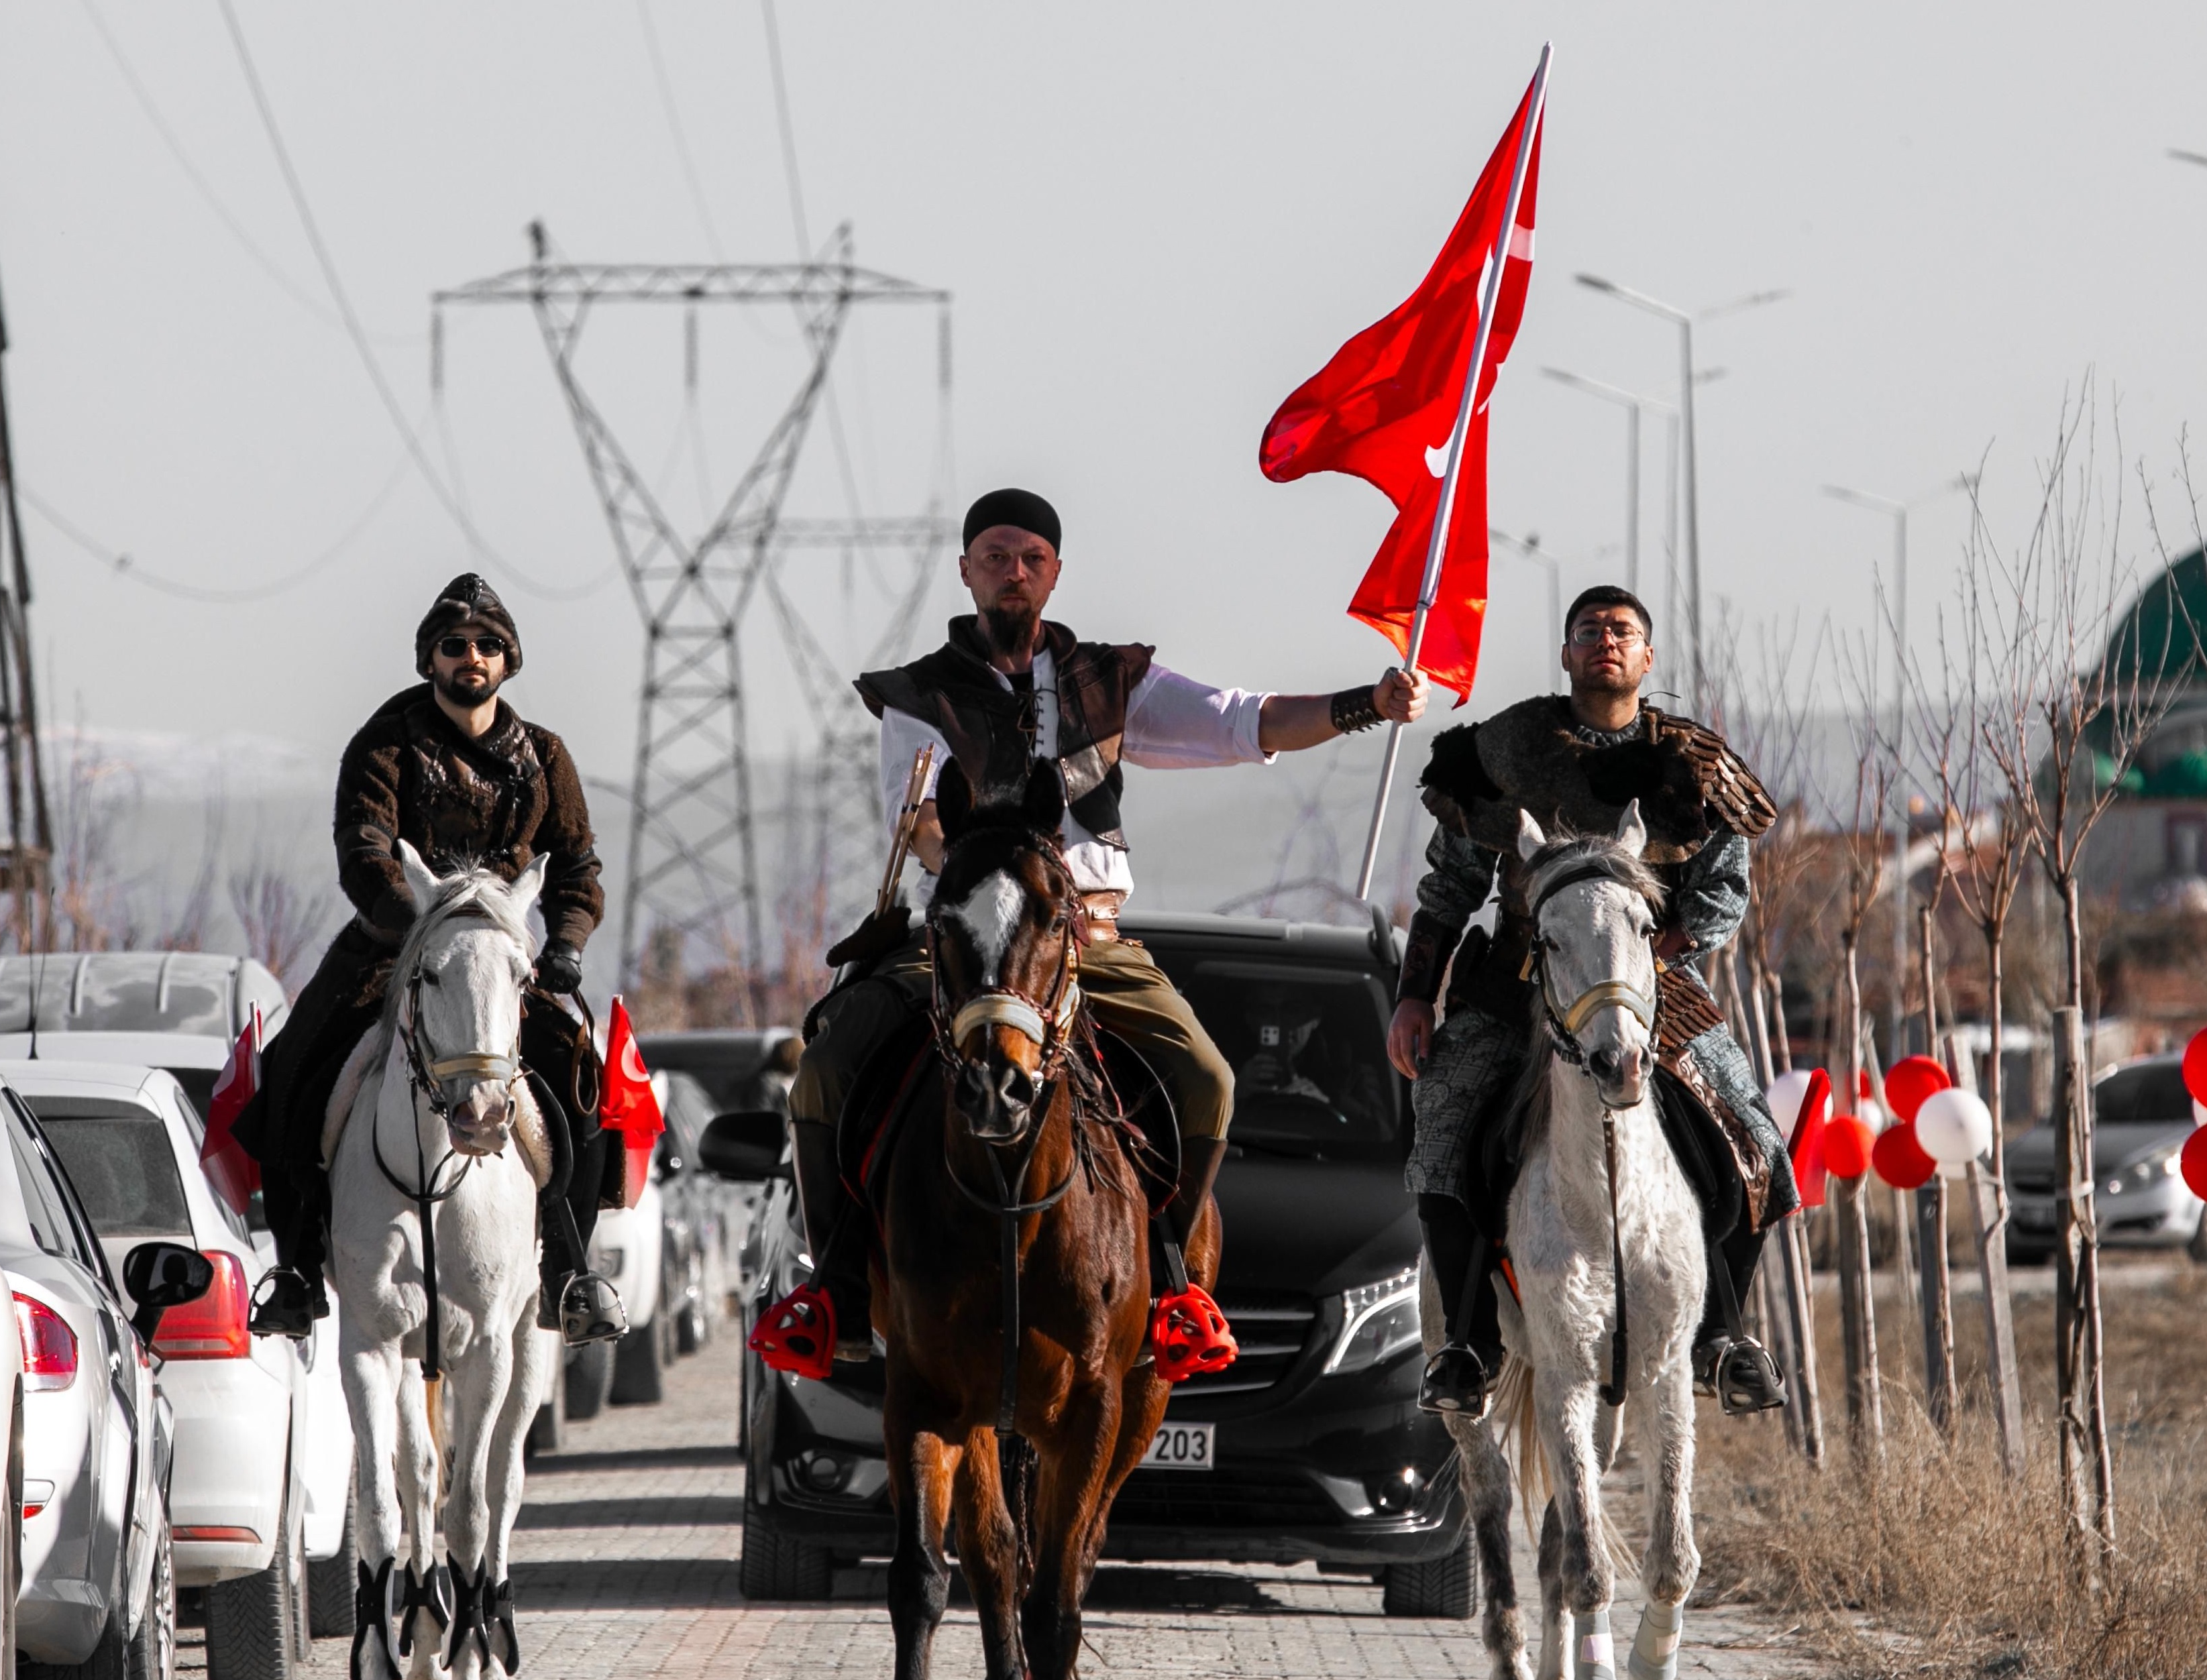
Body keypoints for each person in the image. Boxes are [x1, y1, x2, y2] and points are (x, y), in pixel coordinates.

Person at [748, 488, 1428, 1374]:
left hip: (1089, 938)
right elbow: (912, 820)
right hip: (963, 934)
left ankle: (1177, 1281)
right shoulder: (915, 694)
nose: (1012, 571)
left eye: (1030, 557)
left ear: (1055, 574)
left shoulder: (1111, 680)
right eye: (993, 555)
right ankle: (834, 1287)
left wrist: (1364, 703)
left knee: (1207, 1079)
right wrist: (972, 860)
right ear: (965, 572)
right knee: (829, 1068)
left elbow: (1241, 721)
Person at [1388, 584, 1787, 1416]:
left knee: (1754, 1139)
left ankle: (1722, 1333)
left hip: (1654, 985)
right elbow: (1448, 885)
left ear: (1646, 658)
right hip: (1511, 986)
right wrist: (1414, 996)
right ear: (1566, 655)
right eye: (1588, 630)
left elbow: (1719, 895)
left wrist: (1638, 961)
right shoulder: (1501, 748)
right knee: (1442, 1126)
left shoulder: (1697, 765)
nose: (1605, 640)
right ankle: (1468, 1343)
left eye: (1622, 631)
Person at [235, 574, 624, 1347]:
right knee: (292, 1073)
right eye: (454, 645)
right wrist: (419, 927)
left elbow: (577, 867)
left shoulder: (545, 755)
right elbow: (363, 849)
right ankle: (298, 1268)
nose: (470, 656)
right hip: (392, 951)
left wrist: (568, 947)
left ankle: (570, 1273)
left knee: (583, 1083)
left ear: (508, 660)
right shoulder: (384, 745)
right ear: (430, 660)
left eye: (486, 645)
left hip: (506, 963)